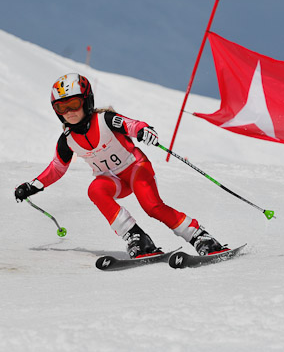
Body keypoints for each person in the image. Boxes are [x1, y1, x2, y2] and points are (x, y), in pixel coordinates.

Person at [15, 73, 227, 259]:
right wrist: (32, 185)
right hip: (113, 181)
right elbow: (56, 169)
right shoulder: (67, 140)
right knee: (95, 189)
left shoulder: (105, 119)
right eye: (61, 107)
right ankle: (137, 237)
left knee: (152, 207)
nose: (69, 112)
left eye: (74, 104)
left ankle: (199, 236)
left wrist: (144, 130)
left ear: (87, 101)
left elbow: (130, 125)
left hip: (136, 168)